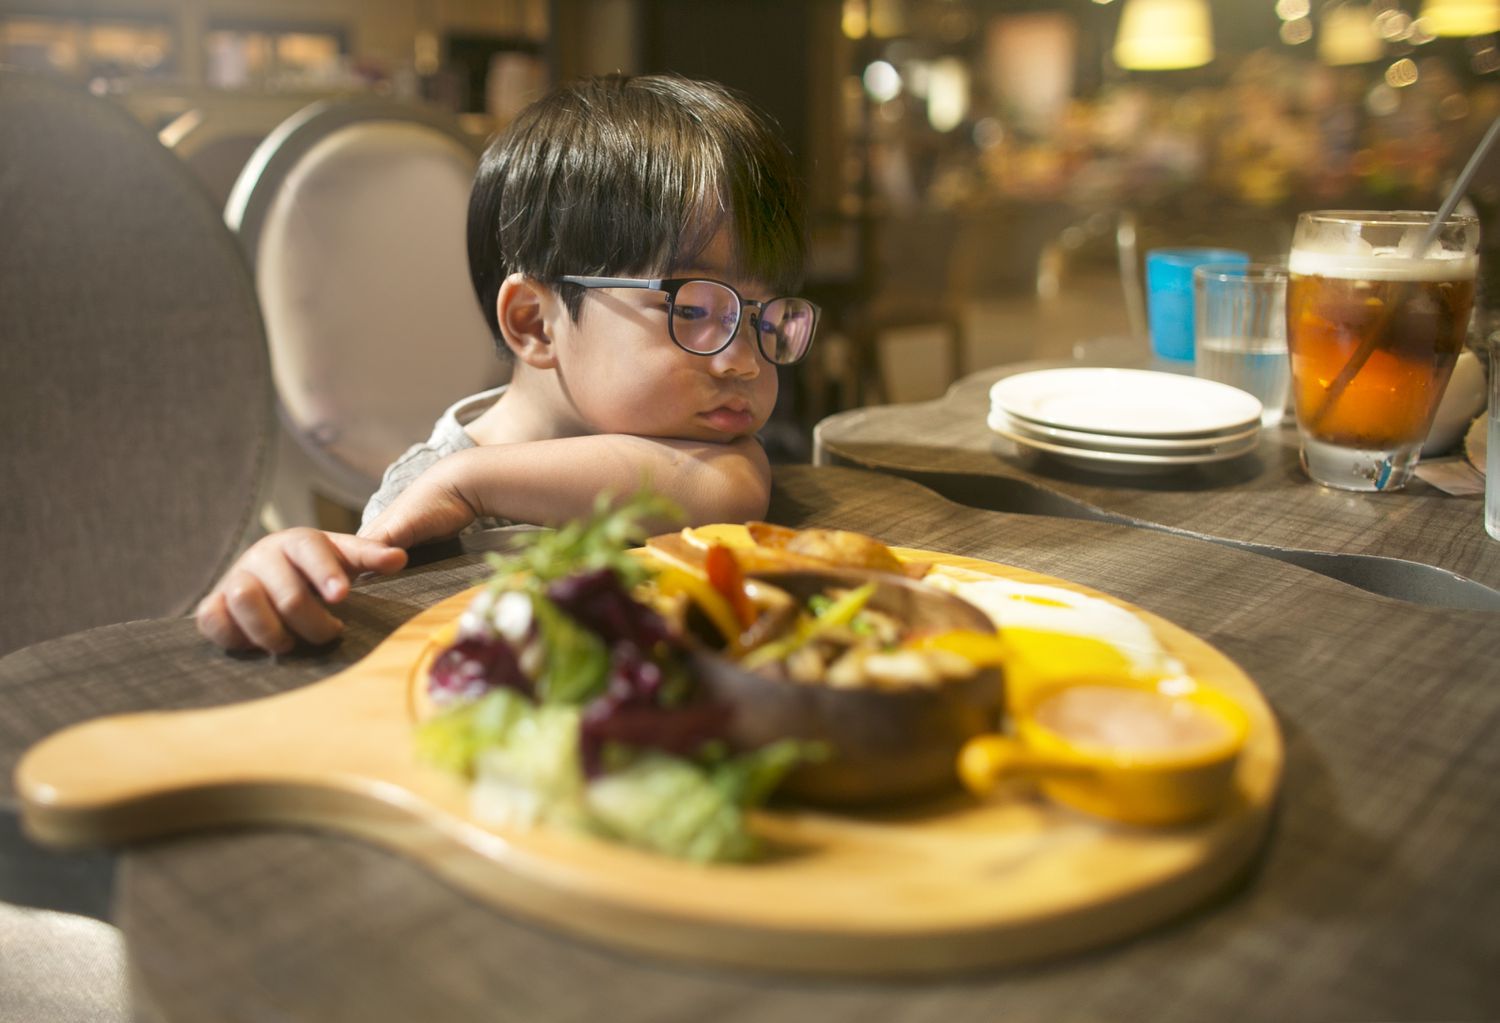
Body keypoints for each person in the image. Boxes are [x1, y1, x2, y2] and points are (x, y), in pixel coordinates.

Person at [195, 73, 818, 653]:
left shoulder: (695, 439)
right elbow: (362, 611)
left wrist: (476, 480)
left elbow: (730, 488)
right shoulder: (425, 491)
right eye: (694, 309)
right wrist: (286, 573)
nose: (743, 362)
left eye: (764, 319)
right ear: (534, 322)